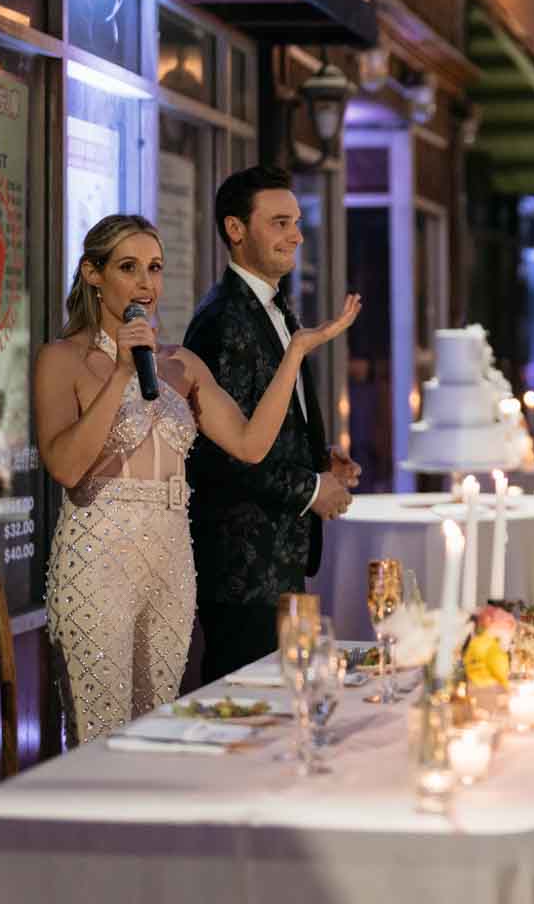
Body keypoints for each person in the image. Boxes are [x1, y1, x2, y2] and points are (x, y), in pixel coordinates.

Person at [35, 214, 358, 744]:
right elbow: (66, 468)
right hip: (98, 559)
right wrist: (121, 373)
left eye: (155, 268)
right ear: (93, 273)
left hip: (171, 562)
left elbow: (250, 445)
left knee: (158, 729)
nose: (145, 283)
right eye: (128, 268)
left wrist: (294, 354)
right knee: (103, 734)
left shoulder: (180, 364)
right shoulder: (62, 358)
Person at [185, 167, 364, 684]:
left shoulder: (270, 306)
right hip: (242, 566)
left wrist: (319, 459)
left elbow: (268, 422)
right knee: (248, 706)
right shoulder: (224, 319)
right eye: (280, 223)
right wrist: (311, 489)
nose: (297, 236)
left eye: (297, 222)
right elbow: (219, 453)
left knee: (284, 701)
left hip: (276, 555)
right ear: (235, 229)